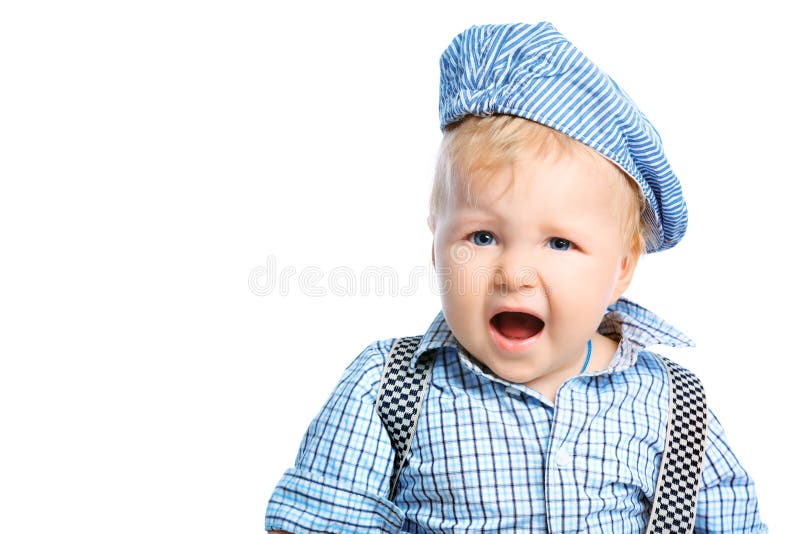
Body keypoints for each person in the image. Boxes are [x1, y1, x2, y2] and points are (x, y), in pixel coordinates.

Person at [265, 21, 767, 533]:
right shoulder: (388, 389)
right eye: (482, 237)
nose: (514, 275)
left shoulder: (673, 409)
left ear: (621, 267)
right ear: (435, 245)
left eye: (559, 243)